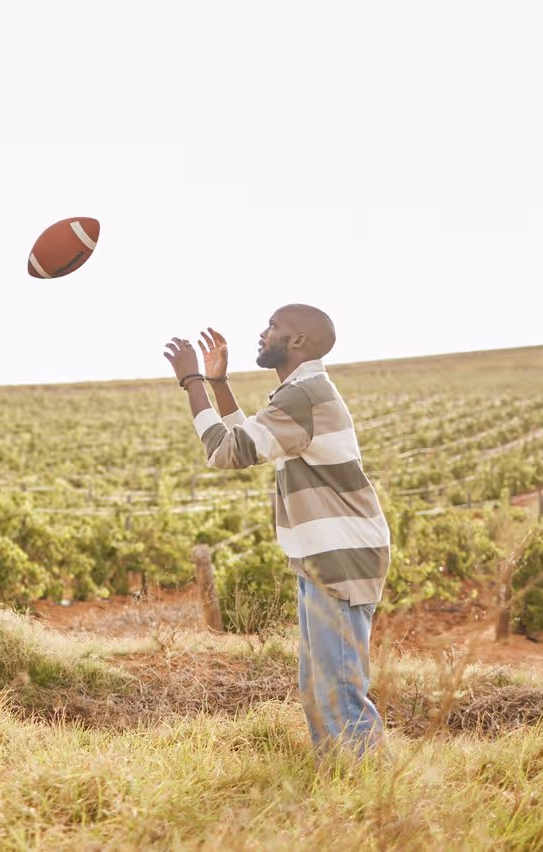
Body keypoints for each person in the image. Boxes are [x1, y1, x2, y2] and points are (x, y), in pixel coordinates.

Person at [163, 305, 389, 757]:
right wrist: (219, 384)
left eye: (273, 327)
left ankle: (370, 783)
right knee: (318, 687)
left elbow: (227, 452)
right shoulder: (299, 394)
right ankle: (338, 778)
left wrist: (192, 381)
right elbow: (251, 438)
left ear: (297, 341)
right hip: (325, 557)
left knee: (338, 692)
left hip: (340, 557)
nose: (263, 333)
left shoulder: (304, 395)